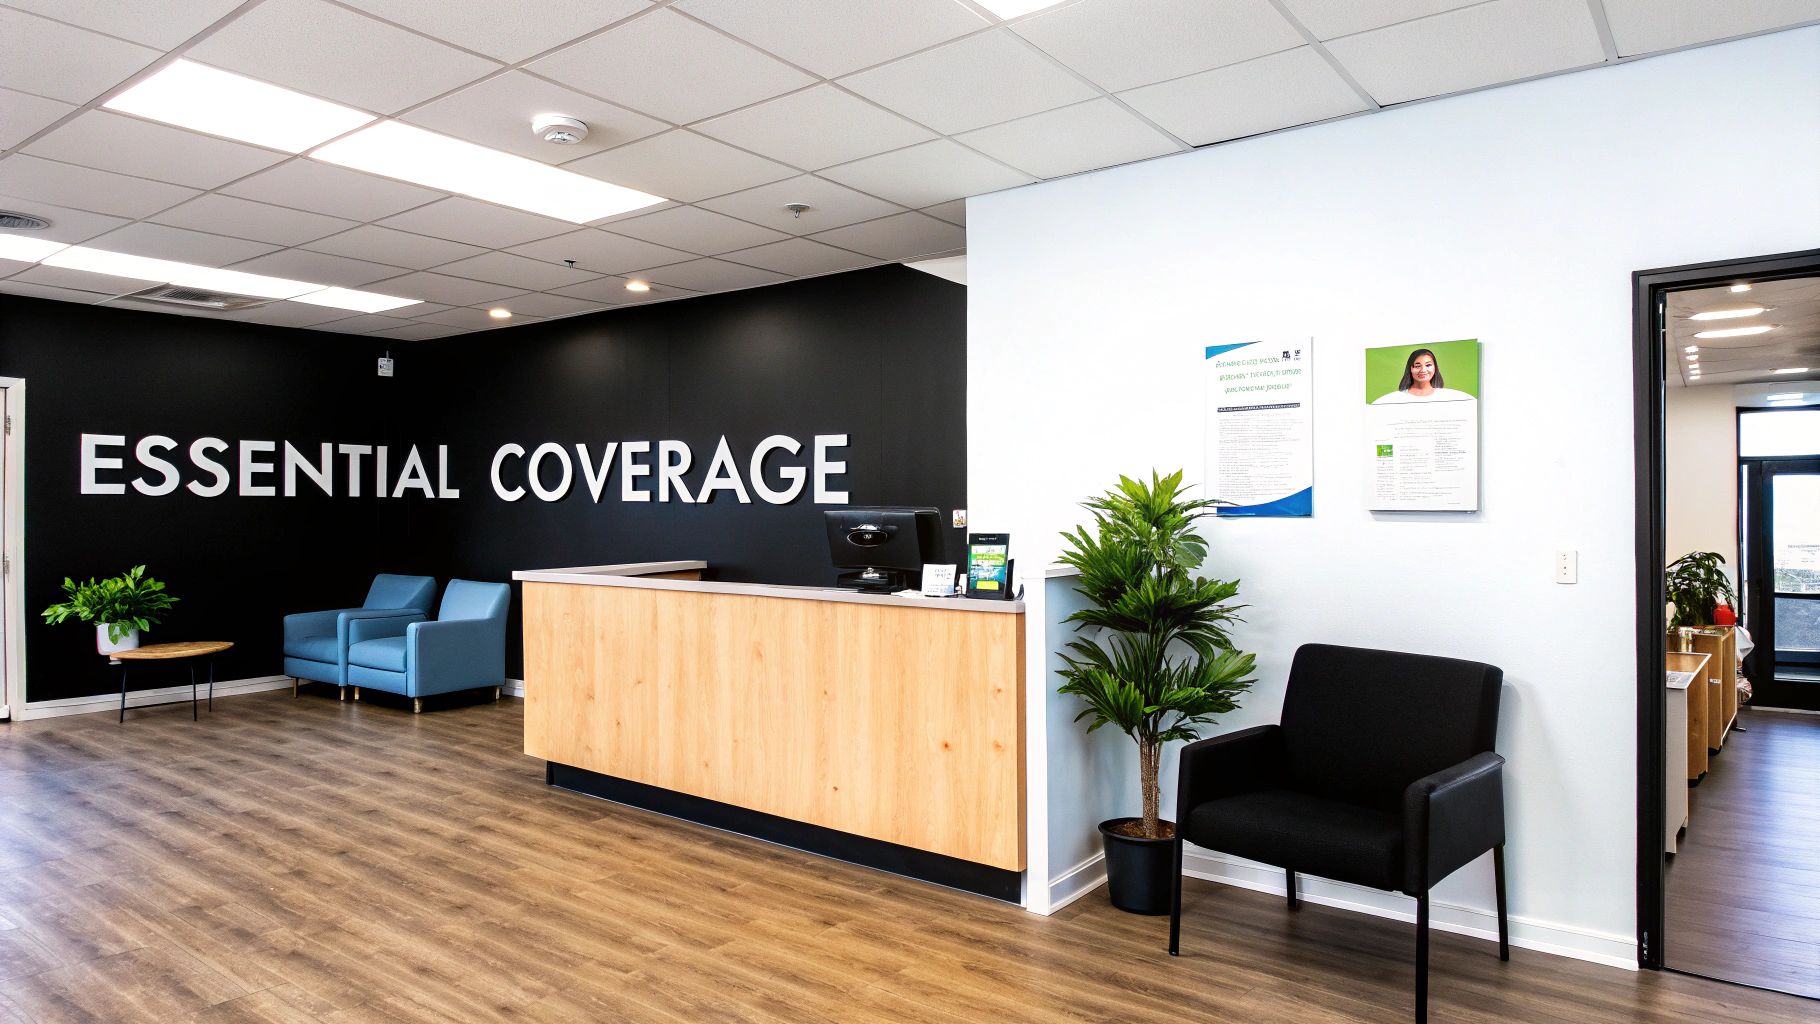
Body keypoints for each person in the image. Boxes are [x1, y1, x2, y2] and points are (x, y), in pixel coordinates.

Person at [1373, 348, 1474, 404]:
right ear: (1410, 368)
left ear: (1435, 368)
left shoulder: (1449, 397)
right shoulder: (1394, 399)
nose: (1423, 370)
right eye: (1417, 366)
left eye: (1428, 365)